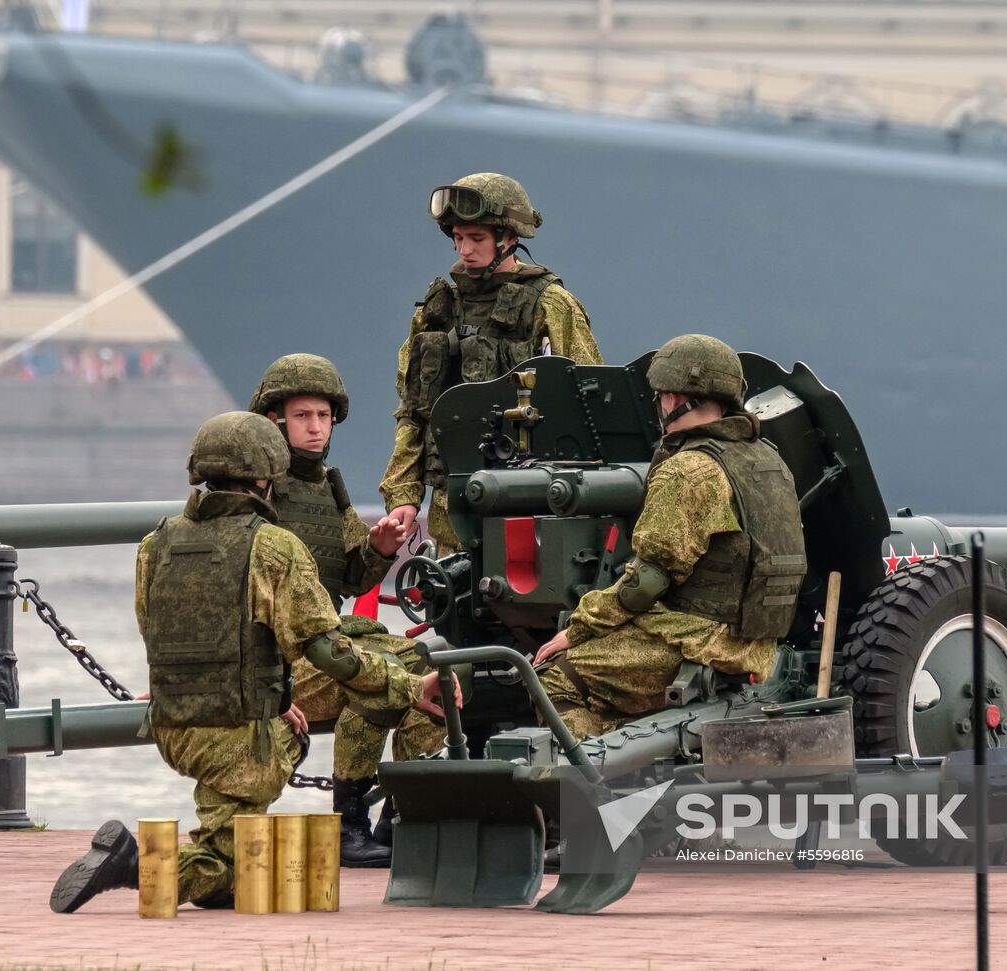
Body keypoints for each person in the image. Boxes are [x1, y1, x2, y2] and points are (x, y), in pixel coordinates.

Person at [49, 411, 457, 913]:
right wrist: (411, 688)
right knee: (234, 864)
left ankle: (199, 852)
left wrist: (273, 696)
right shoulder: (272, 546)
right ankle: (130, 864)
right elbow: (326, 650)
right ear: (267, 475)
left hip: (174, 727)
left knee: (228, 878)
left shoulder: (155, 545)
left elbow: (155, 631)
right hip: (240, 737)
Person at [535, 335, 807, 739]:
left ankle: (592, 785)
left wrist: (576, 629)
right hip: (753, 644)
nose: (659, 404)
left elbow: (646, 582)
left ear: (678, 396)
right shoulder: (767, 458)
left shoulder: (688, 469)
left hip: (695, 641)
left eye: (661, 394)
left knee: (549, 678)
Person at [247, 353, 440, 867]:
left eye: (323, 417)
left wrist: (379, 548)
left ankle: (403, 817)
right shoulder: (251, 490)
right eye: (302, 416)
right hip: (276, 660)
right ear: (274, 421)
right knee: (374, 680)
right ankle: (347, 825)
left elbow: (353, 577)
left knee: (436, 672)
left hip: (326, 641)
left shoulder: (328, 487)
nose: (315, 427)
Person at [380, 172, 602, 551]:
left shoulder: (549, 305)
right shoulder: (436, 311)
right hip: (453, 515)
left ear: (509, 237)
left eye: (477, 238)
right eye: (458, 238)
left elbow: (590, 406)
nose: (465, 250)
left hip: (531, 510)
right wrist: (403, 495)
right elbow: (413, 412)